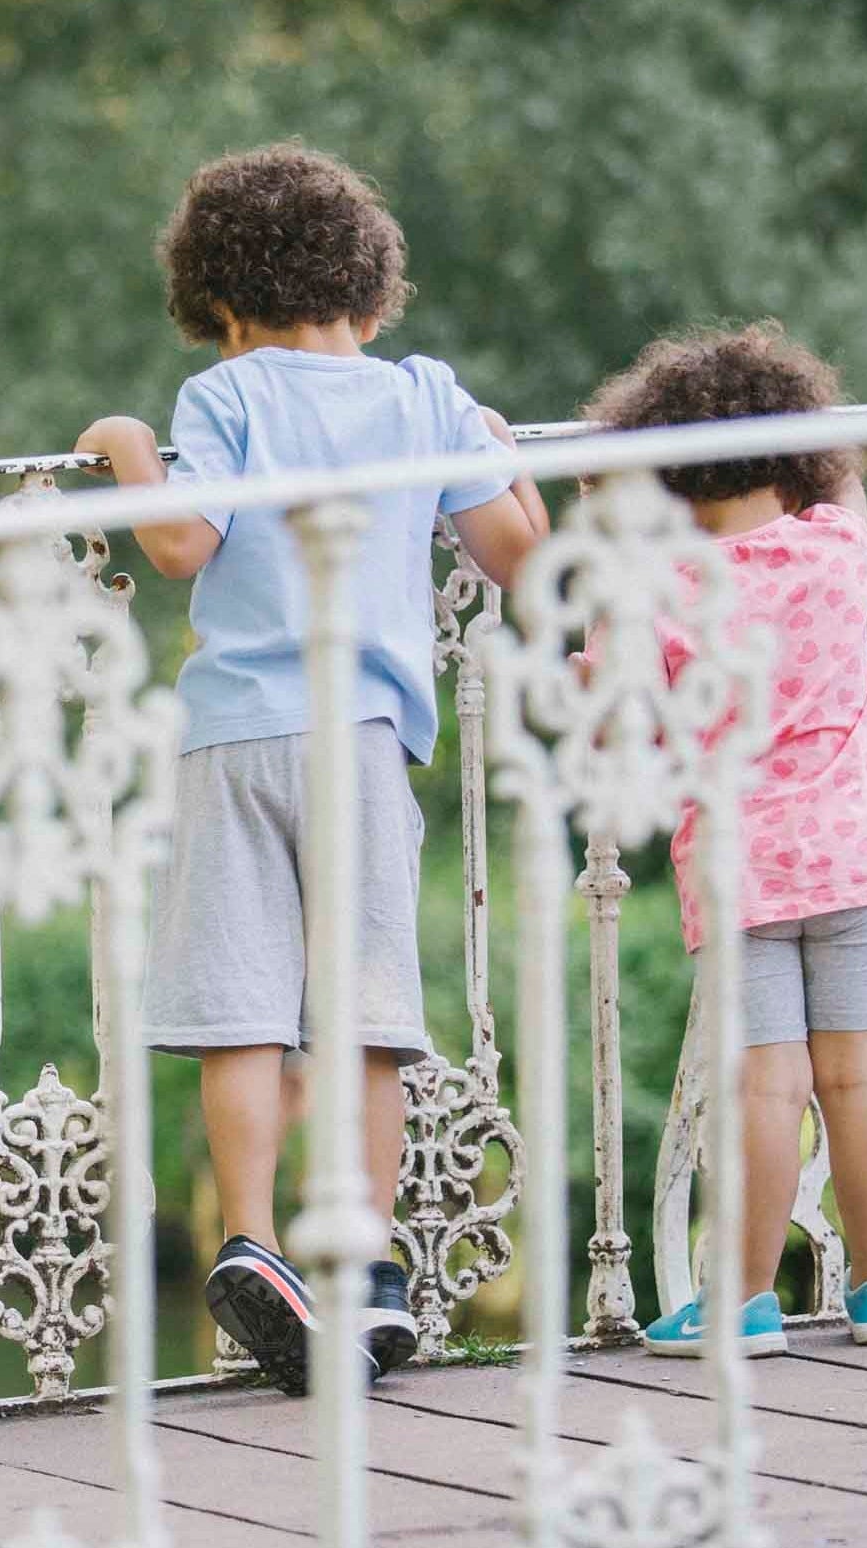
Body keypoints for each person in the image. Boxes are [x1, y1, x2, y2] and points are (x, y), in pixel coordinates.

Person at [72, 141, 548, 1393]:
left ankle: (254, 1240)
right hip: (363, 740)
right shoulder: (426, 396)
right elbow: (521, 556)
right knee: (366, 1016)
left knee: (239, 1007)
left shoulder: (225, 399)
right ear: (371, 289)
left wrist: (128, 445)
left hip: (234, 738)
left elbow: (177, 542)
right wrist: (498, 446)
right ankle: (370, 1264)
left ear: (217, 302)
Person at [578, 323, 867, 1359]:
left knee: (767, 1084)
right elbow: (846, 482)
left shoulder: (669, 586)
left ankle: (746, 1301)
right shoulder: (836, 548)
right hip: (855, 859)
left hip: (741, 871)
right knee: (861, 1076)